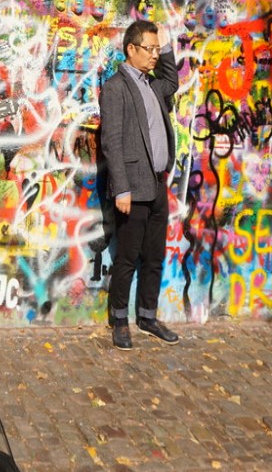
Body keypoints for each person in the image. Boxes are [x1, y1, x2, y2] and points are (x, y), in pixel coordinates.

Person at [99, 19, 180, 350]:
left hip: (158, 186)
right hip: (132, 188)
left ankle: (147, 316)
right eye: (149, 49)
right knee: (128, 257)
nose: (154, 55)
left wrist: (169, 41)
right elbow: (112, 141)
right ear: (130, 50)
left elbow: (172, 81)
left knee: (154, 257)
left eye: (157, 49)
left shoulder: (153, 85)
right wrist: (122, 188)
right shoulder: (116, 87)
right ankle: (119, 319)